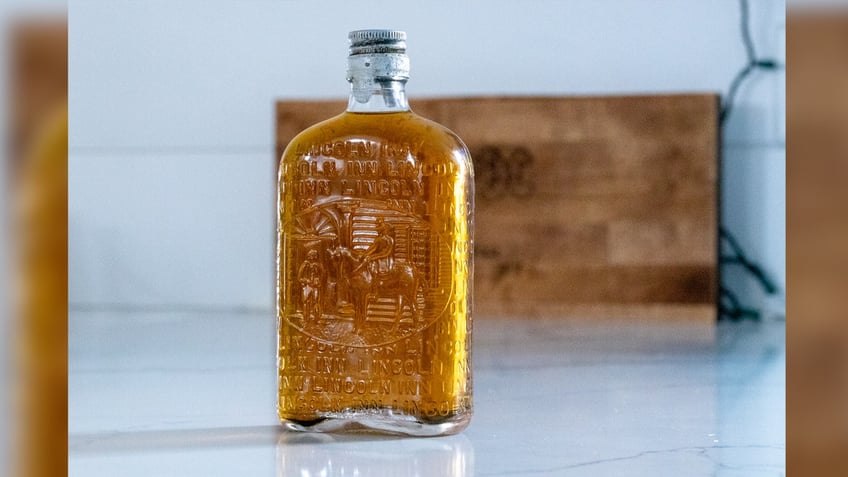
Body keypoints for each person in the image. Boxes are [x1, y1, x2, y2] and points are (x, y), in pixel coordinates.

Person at [298, 249, 325, 319]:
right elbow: (299, 277)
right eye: (312, 255)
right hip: (307, 286)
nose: (313, 257)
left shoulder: (319, 265)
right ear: (309, 256)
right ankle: (306, 316)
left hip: (315, 286)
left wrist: (318, 281)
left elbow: (322, 275)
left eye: (314, 255)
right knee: (306, 301)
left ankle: (316, 317)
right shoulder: (305, 264)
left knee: (316, 301)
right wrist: (306, 281)